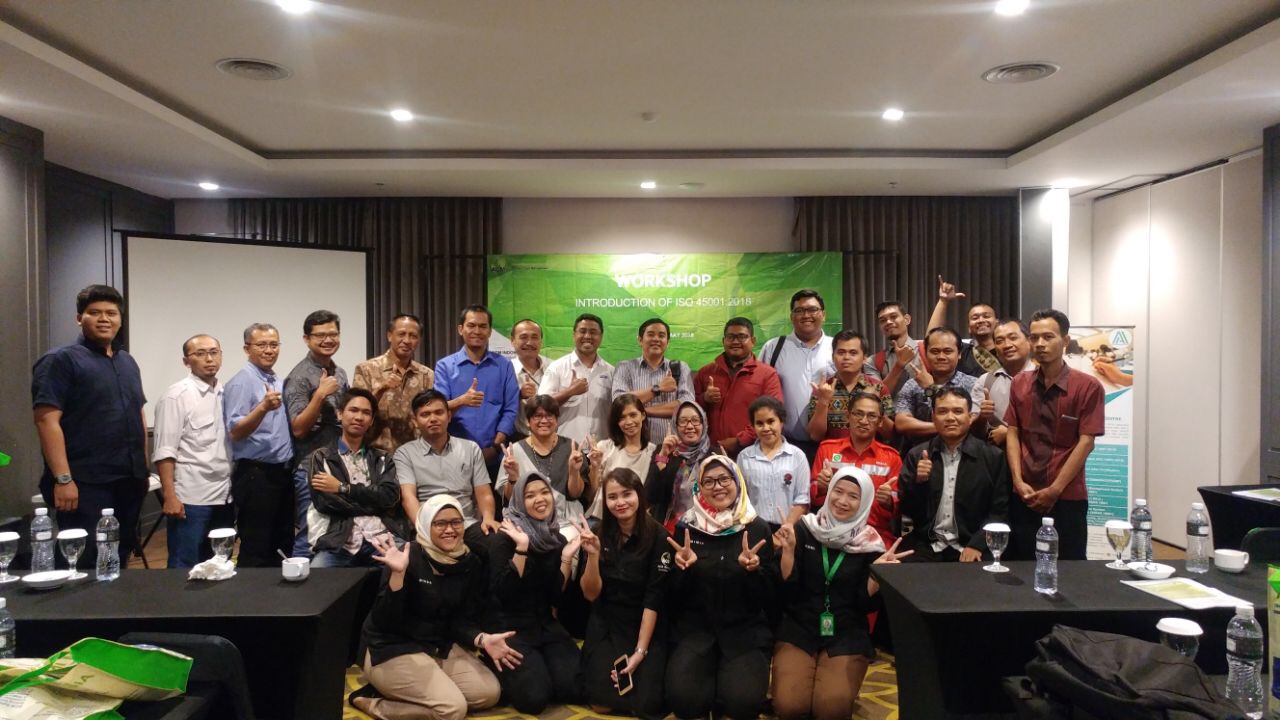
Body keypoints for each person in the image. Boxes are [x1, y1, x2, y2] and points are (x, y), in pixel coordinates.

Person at [349, 496, 514, 720]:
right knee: (452, 709)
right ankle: (374, 702)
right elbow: (385, 621)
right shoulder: (406, 557)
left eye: (456, 522)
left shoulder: (469, 560)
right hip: (392, 648)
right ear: (426, 525)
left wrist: (481, 639)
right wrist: (397, 577)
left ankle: (416, 691)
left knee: (488, 694)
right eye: (440, 523)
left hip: (436, 645)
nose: (450, 530)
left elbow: (461, 619)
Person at [771, 467, 911, 720]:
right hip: (799, 628)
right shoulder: (804, 529)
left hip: (846, 633)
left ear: (864, 501)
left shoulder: (871, 545)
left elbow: (864, 607)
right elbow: (786, 593)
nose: (843, 501)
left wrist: (875, 578)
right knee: (789, 706)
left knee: (831, 710)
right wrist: (788, 552)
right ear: (829, 492)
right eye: (838, 491)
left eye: (853, 496)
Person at [32, 284, 148, 569]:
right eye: (95, 312)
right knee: (83, 561)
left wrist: (143, 468)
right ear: (79, 318)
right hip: (84, 483)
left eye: (111, 313)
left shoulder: (127, 361)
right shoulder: (60, 360)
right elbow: (46, 420)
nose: (104, 319)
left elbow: (138, 413)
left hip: (128, 480)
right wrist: (63, 479)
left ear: (120, 319)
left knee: (118, 556)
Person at [663, 456, 776, 720]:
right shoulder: (687, 527)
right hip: (696, 631)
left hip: (744, 633)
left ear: (737, 482)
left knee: (742, 704)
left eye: (724, 479)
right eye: (709, 481)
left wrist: (753, 572)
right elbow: (672, 597)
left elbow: (770, 598)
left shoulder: (757, 528)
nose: (718, 487)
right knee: (684, 702)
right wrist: (683, 570)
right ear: (699, 488)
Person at [1005, 309, 1105, 561]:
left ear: (1065, 340)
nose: (1040, 344)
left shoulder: (1087, 386)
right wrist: (1017, 481)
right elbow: (1013, 433)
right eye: (1034, 337)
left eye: (1048, 337)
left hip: (1067, 497)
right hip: (1025, 494)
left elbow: (1086, 442)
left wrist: (1055, 489)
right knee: (1022, 565)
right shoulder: (1020, 383)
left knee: (1070, 568)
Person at [578, 468, 671, 718]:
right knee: (601, 703)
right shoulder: (598, 533)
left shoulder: (659, 537)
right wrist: (593, 556)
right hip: (607, 623)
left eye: (626, 494)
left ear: (639, 494)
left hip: (645, 623)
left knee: (646, 705)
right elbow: (590, 594)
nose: (620, 502)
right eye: (612, 497)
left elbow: (654, 599)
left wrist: (640, 653)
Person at [489, 472, 583, 714]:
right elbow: (505, 594)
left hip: (544, 625)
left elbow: (556, 597)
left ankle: (542, 667)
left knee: (575, 688)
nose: (540, 499)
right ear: (520, 501)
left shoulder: (555, 538)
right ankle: (492, 662)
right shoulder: (505, 538)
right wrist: (521, 548)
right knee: (534, 698)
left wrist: (566, 557)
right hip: (511, 627)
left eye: (544, 493)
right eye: (530, 495)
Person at [899, 388, 1010, 562]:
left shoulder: (993, 457)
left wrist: (977, 544)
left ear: (970, 417)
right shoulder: (917, 455)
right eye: (942, 411)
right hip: (927, 545)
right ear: (933, 417)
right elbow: (907, 511)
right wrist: (919, 482)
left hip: (972, 545)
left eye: (958, 411)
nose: (950, 418)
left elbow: (1000, 511)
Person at [152, 334, 233, 569]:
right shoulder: (176, 396)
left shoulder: (226, 393)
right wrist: (170, 496)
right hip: (192, 498)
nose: (209, 359)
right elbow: (165, 451)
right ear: (186, 361)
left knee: (219, 564)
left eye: (214, 352)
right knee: (184, 565)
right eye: (200, 354)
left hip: (225, 496)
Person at [306, 389, 408, 567]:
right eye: (353, 410)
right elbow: (325, 503)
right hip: (340, 542)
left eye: (366, 413)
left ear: (371, 421)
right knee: (317, 577)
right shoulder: (322, 457)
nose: (359, 417)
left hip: (382, 539)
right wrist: (373, 503)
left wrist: (343, 488)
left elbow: (389, 497)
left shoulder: (382, 458)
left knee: (411, 567)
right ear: (340, 414)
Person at [395, 390, 501, 555]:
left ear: (449, 416)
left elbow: (484, 492)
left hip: (466, 524)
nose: (433, 418)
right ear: (415, 421)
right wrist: (424, 529)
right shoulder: (404, 453)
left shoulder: (470, 448)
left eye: (439, 412)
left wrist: (488, 518)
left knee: (499, 541)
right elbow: (408, 498)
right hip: (430, 526)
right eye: (425, 414)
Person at [223, 322, 294, 567]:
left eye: (274, 344)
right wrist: (263, 407)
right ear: (247, 349)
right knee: (257, 546)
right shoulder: (242, 381)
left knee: (281, 542)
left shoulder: (276, 379)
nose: (269, 350)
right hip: (256, 475)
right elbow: (235, 432)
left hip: (281, 473)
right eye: (261, 345)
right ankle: (251, 591)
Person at [284, 310, 349, 559]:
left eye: (333, 334)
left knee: (335, 533)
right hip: (310, 468)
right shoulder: (299, 376)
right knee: (309, 534)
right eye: (320, 335)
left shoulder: (339, 372)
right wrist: (320, 394)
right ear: (307, 339)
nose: (328, 340)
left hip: (337, 465)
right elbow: (298, 428)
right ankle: (301, 582)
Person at [433, 305, 520, 478]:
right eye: (471, 325)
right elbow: (437, 409)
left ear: (489, 331)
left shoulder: (504, 365)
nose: (477, 331)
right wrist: (462, 400)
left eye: (483, 326)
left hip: (494, 456)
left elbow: (511, 409)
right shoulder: (445, 366)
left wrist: (495, 447)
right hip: (453, 454)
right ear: (460, 329)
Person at [811, 392, 903, 548]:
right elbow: (813, 499)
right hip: (830, 532)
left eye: (871, 416)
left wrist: (888, 502)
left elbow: (898, 509)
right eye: (858, 414)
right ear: (848, 416)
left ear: (880, 421)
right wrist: (821, 487)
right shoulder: (827, 449)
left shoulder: (892, 458)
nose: (864, 421)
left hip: (873, 534)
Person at [757, 290, 833, 460]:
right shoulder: (774, 348)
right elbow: (759, 391)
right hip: (784, 445)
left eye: (812, 310)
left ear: (823, 315)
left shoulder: (837, 347)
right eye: (799, 311)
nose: (806, 315)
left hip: (829, 444)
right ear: (791, 316)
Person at [693, 317, 783, 458]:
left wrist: (740, 441)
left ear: (753, 341)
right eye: (730, 337)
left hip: (754, 453)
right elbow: (690, 410)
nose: (735, 342)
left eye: (741, 337)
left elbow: (774, 414)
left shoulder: (767, 375)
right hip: (710, 452)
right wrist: (705, 398)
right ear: (723, 341)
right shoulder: (706, 372)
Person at [495, 396, 587, 530]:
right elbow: (510, 499)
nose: (544, 420)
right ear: (528, 421)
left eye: (549, 415)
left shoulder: (571, 448)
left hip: (565, 521)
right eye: (537, 416)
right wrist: (513, 476)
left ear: (556, 420)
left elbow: (575, 494)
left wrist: (574, 471)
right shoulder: (514, 452)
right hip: (525, 522)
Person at [352, 313, 434, 453]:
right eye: (401, 334)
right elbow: (358, 412)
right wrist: (382, 388)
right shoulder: (366, 369)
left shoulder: (426, 374)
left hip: (415, 454)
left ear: (419, 340)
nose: (407, 340)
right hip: (375, 451)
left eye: (413, 336)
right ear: (390, 336)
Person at [611, 318, 695, 440]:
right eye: (651, 334)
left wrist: (643, 411)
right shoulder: (624, 367)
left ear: (667, 342)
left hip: (672, 444)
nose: (656, 339)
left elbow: (687, 406)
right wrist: (658, 388)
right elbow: (619, 402)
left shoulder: (681, 368)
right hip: (633, 445)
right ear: (640, 340)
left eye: (661, 335)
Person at [735, 396, 810, 528]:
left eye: (771, 421)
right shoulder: (744, 457)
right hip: (754, 529)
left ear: (781, 422)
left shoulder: (798, 456)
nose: (766, 428)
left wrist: (787, 527)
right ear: (753, 427)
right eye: (760, 423)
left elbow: (802, 500)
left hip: (788, 528)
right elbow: (741, 498)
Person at [539, 314, 615, 443]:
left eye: (593, 332)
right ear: (574, 334)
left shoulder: (611, 371)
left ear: (601, 336)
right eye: (582, 331)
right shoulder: (557, 367)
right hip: (564, 446)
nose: (587, 336)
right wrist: (570, 391)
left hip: (601, 447)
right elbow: (541, 406)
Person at [894, 327, 978, 441]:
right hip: (920, 450)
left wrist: (931, 389)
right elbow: (901, 423)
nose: (941, 357)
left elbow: (975, 422)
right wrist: (949, 427)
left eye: (947, 351)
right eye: (935, 351)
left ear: (959, 354)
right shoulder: (913, 384)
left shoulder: (973, 384)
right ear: (926, 353)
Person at [806, 330, 892, 442]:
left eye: (853, 353)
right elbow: (815, 436)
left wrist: (875, 406)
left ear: (864, 358)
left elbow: (890, 435)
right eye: (841, 352)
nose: (846, 357)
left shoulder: (879, 388)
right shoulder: (822, 390)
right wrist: (823, 402)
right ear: (833, 357)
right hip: (833, 452)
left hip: (869, 452)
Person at [584, 394, 657, 519]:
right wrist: (595, 467)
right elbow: (592, 491)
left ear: (643, 415)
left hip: (636, 522)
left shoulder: (653, 452)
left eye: (633, 415)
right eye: (622, 418)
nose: (628, 422)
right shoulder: (604, 448)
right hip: (602, 518)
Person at [646, 401, 714, 531]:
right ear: (675, 425)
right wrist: (663, 456)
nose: (689, 426)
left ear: (704, 423)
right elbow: (650, 496)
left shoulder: (714, 455)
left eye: (695, 420)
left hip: (706, 528)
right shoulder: (664, 451)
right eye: (683, 421)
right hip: (668, 528)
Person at [971, 319, 1036, 447]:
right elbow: (974, 430)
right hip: (996, 454)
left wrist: (1010, 433)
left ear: (1029, 341)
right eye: (999, 341)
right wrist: (983, 417)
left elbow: (1053, 426)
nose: (1007, 345)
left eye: (1013, 338)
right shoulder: (985, 381)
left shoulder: (1045, 378)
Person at [925, 275, 1001, 377]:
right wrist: (943, 301)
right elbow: (933, 337)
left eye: (986, 316)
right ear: (969, 328)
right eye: (975, 318)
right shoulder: (963, 352)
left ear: (997, 323)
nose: (981, 320)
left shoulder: (1006, 349)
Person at [872, 300, 924, 400]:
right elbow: (875, 397)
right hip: (890, 410)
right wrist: (899, 366)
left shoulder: (926, 349)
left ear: (907, 319)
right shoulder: (873, 362)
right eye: (883, 320)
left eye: (893, 316)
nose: (888, 322)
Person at [509, 318, 550, 442]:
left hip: (552, 438)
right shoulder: (506, 370)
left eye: (535, 337)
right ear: (512, 341)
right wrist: (518, 395)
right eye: (523, 337)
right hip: (518, 438)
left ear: (541, 341)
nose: (529, 342)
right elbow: (496, 405)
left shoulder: (553, 367)